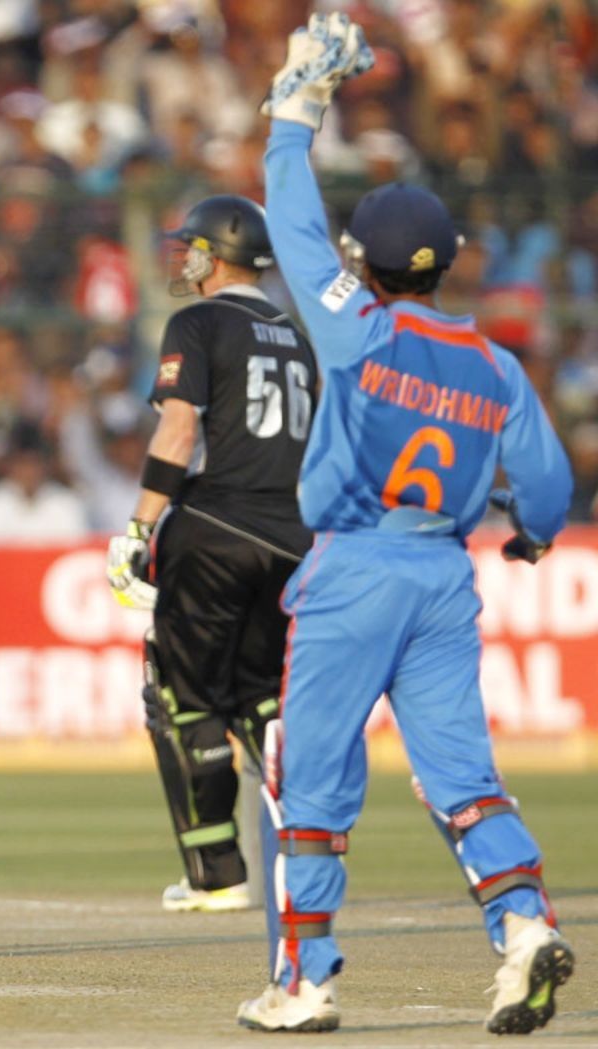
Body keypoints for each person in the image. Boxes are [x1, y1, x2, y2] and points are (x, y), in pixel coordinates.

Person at [236, 14, 574, 1035]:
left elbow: (290, 225)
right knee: (463, 775)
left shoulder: (357, 326)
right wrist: (531, 534)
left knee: (317, 776)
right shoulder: (494, 362)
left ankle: (304, 978)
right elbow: (548, 478)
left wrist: (295, 113)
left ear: (368, 263)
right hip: (443, 576)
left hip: (352, 569)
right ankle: (522, 927)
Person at [106, 195, 317, 913]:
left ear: (212, 253)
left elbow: (178, 431)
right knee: (260, 695)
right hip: (293, 536)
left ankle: (217, 872)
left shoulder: (197, 320)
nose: (181, 258)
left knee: (182, 694)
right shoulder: (298, 332)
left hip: (218, 525)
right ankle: (306, 846)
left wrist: (139, 526)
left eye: (190, 246)